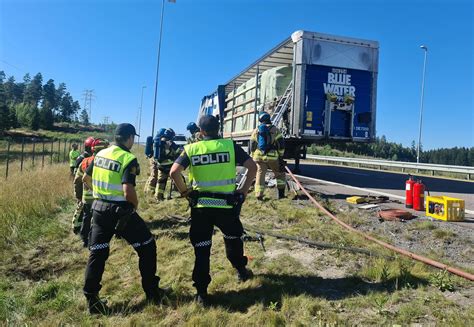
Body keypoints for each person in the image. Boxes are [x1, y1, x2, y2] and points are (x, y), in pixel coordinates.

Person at [170, 115, 257, 306]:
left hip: (201, 208)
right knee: (233, 239)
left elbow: (174, 172)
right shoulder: (229, 146)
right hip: (226, 206)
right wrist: (243, 191)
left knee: (202, 249)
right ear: (218, 129)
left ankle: (201, 293)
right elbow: (253, 167)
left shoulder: (191, 149)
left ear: (200, 132)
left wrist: (185, 192)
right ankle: (241, 271)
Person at [82, 123, 165, 314]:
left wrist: (99, 194)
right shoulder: (128, 158)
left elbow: (85, 179)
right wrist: (134, 206)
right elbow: (128, 190)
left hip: (99, 210)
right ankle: (152, 292)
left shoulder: (101, 154)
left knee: (97, 253)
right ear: (129, 138)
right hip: (121, 212)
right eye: (133, 138)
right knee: (147, 246)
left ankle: (92, 299)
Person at [74, 138, 109, 248]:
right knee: (98, 220)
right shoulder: (106, 163)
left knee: (86, 217)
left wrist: (78, 196)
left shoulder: (84, 161)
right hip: (100, 197)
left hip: (87, 197)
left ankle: (84, 239)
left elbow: (77, 180)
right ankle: (96, 240)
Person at [250, 111, 286, 200]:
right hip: (272, 156)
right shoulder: (275, 130)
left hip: (259, 156)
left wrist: (252, 155)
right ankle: (281, 195)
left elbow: (252, 145)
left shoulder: (256, 130)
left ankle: (259, 195)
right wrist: (281, 156)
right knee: (280, 174)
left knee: (260, 174)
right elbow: (281, 144)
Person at [72, 136, 95, 234]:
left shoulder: (81, 157)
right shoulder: (87, 159)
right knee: (82, 210)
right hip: (84, 188)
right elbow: (79, 178)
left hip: (81, 186)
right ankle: (78, 229)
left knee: (82, 210)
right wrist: (78, 194)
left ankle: (78, 228)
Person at [154, 128, 180, 201]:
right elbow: (178, 151)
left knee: (161, 181)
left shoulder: (159, 141)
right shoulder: (170, 142)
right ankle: (176, 194)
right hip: (170, 164)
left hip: (160, 165)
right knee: (176, 178)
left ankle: (158, 197)